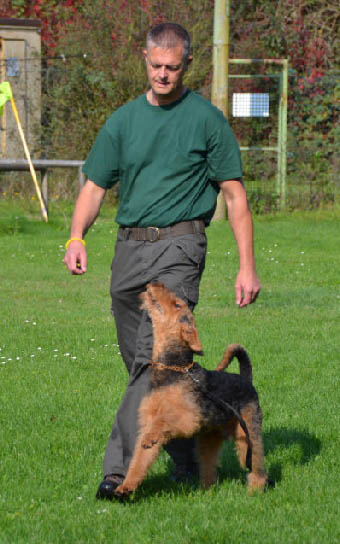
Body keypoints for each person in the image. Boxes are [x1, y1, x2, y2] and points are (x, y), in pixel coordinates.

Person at [64, 22, 261, 500]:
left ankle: (118, 475)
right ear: (145, 61)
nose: (164, 75)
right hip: (129, 250)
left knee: (150, 363)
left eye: (173, 67)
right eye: (156, 66)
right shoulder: (124, 121)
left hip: (180, 247)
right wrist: (76, 235)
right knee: (150, 370)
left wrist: (246, 265)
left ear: (186, 65)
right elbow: (94, 187)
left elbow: (234, 196)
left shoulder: (206, 120)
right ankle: (190, 462)